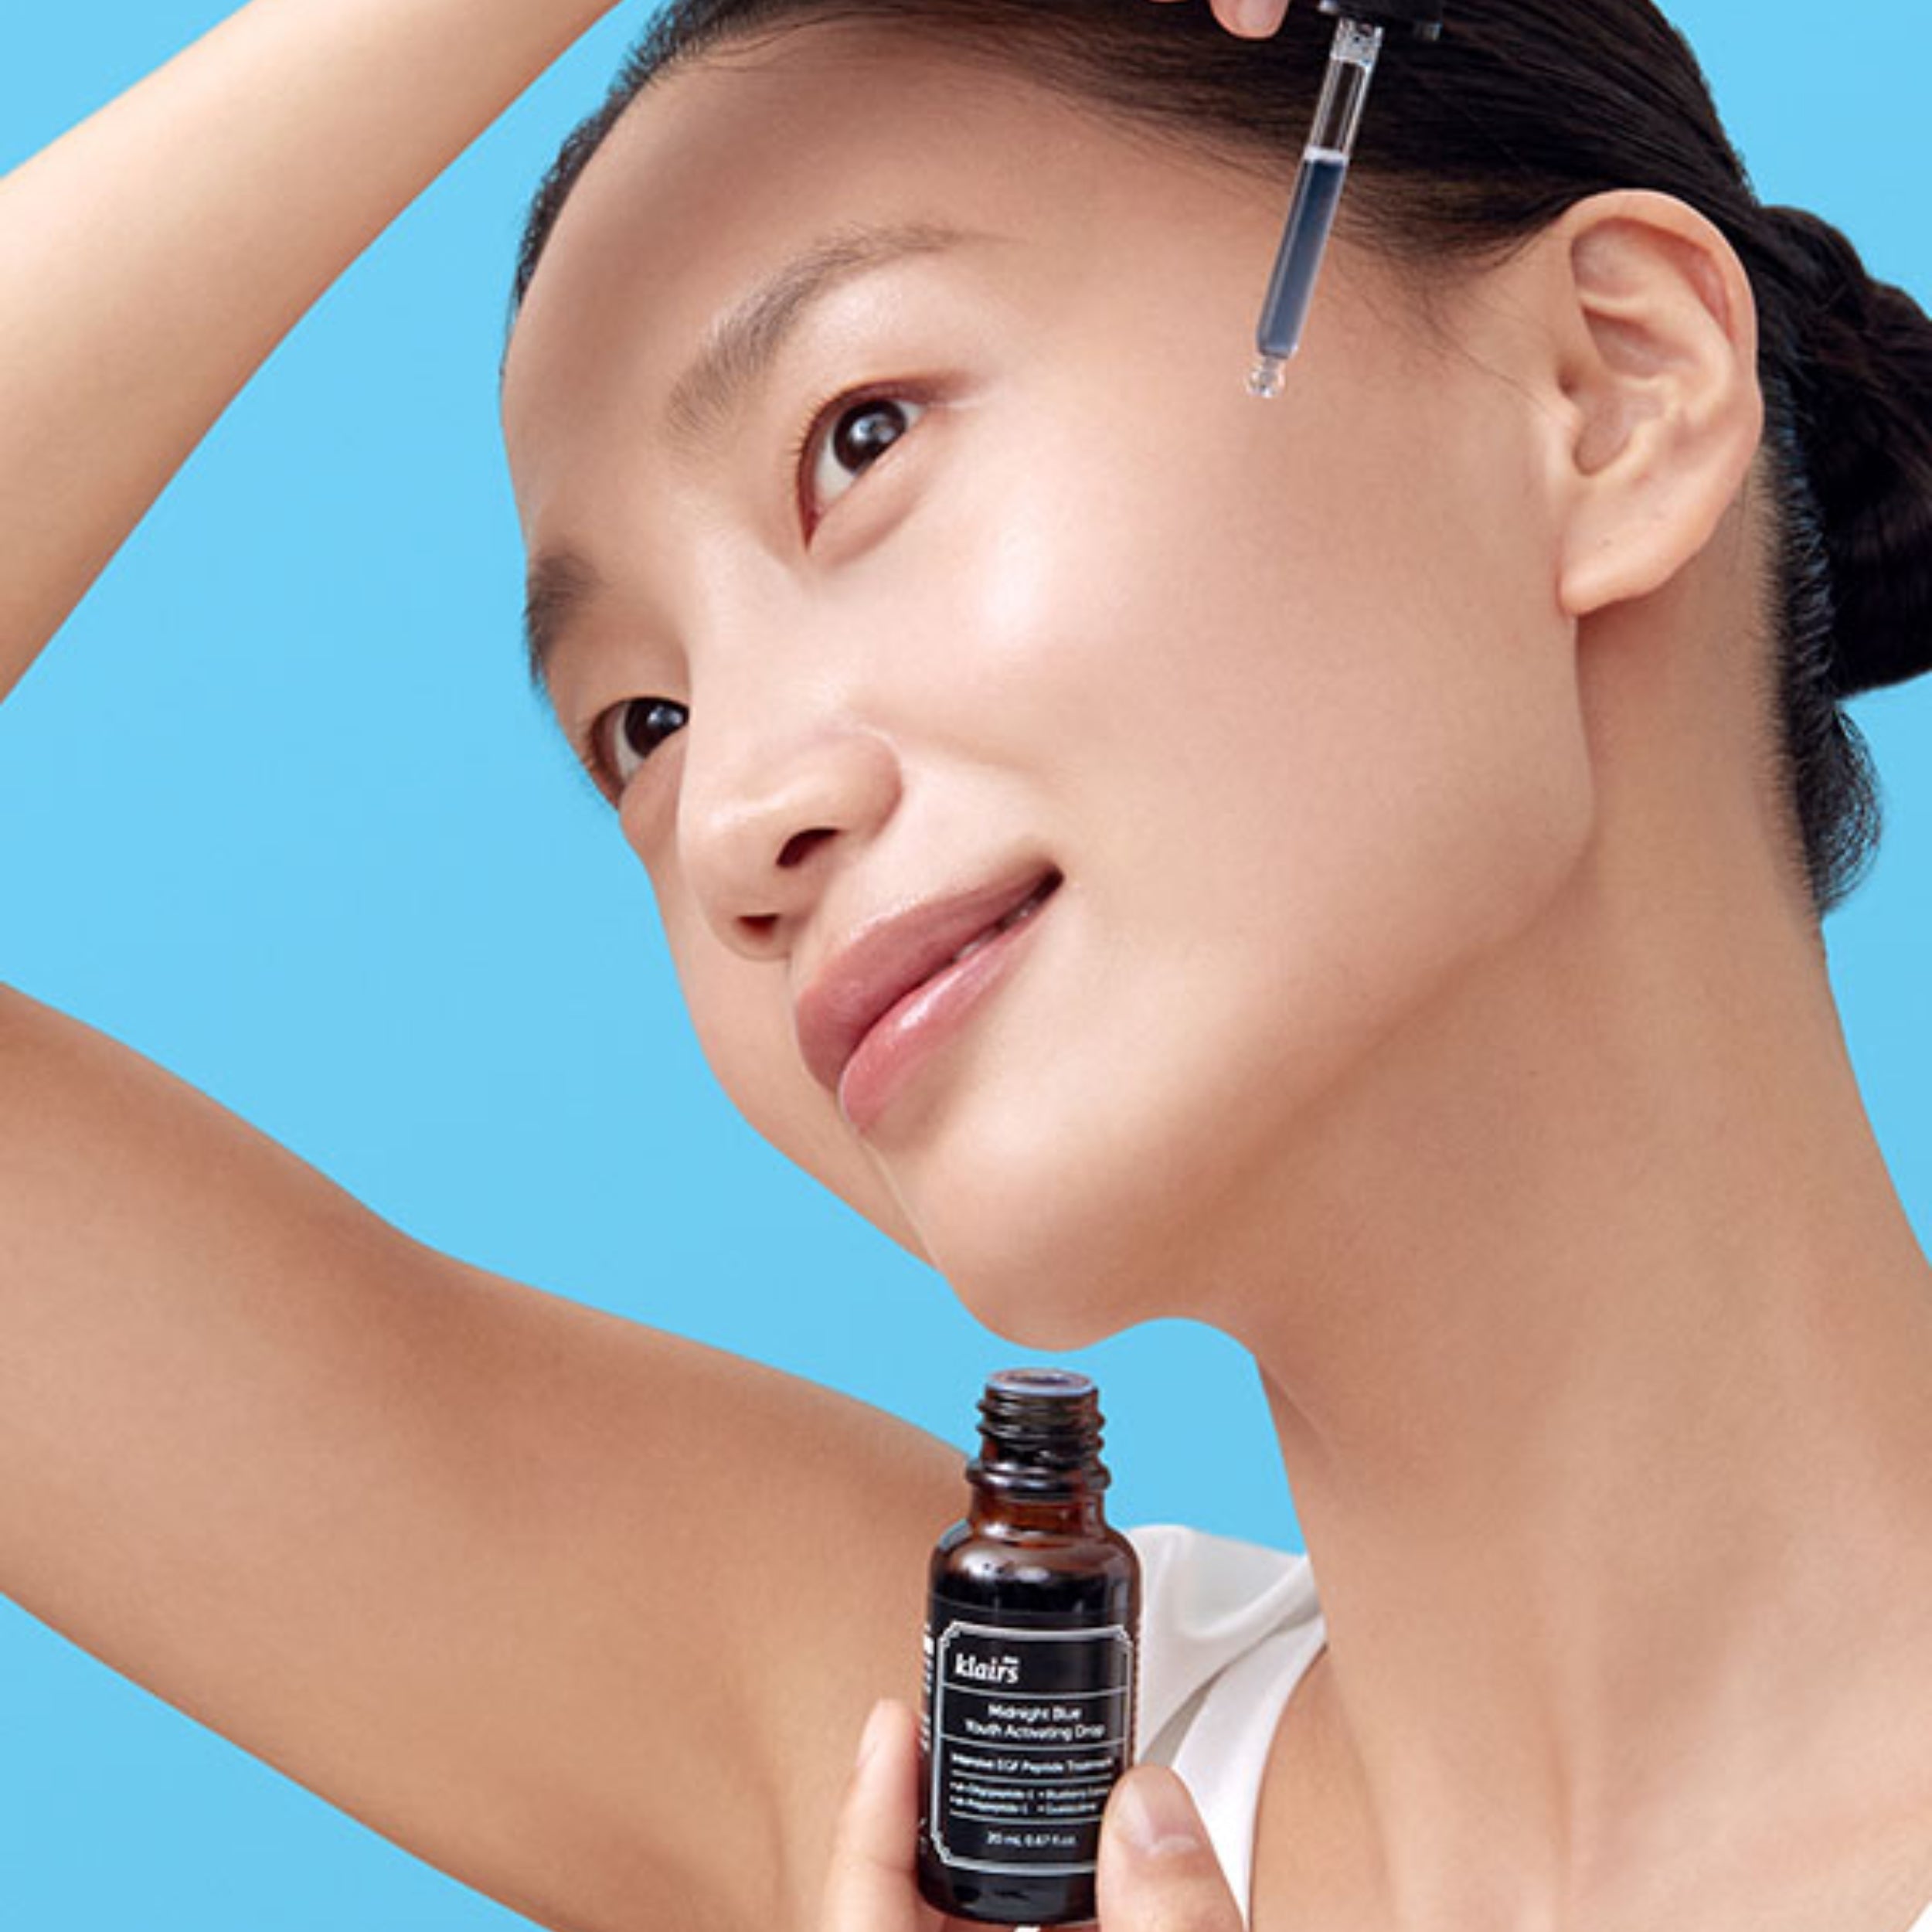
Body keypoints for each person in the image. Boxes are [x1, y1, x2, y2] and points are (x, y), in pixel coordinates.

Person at [4, 1, 1932, 1928]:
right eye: (642, 726)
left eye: (860, 439)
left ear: (1605, 391)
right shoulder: (957, 1797)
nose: (730, 819)